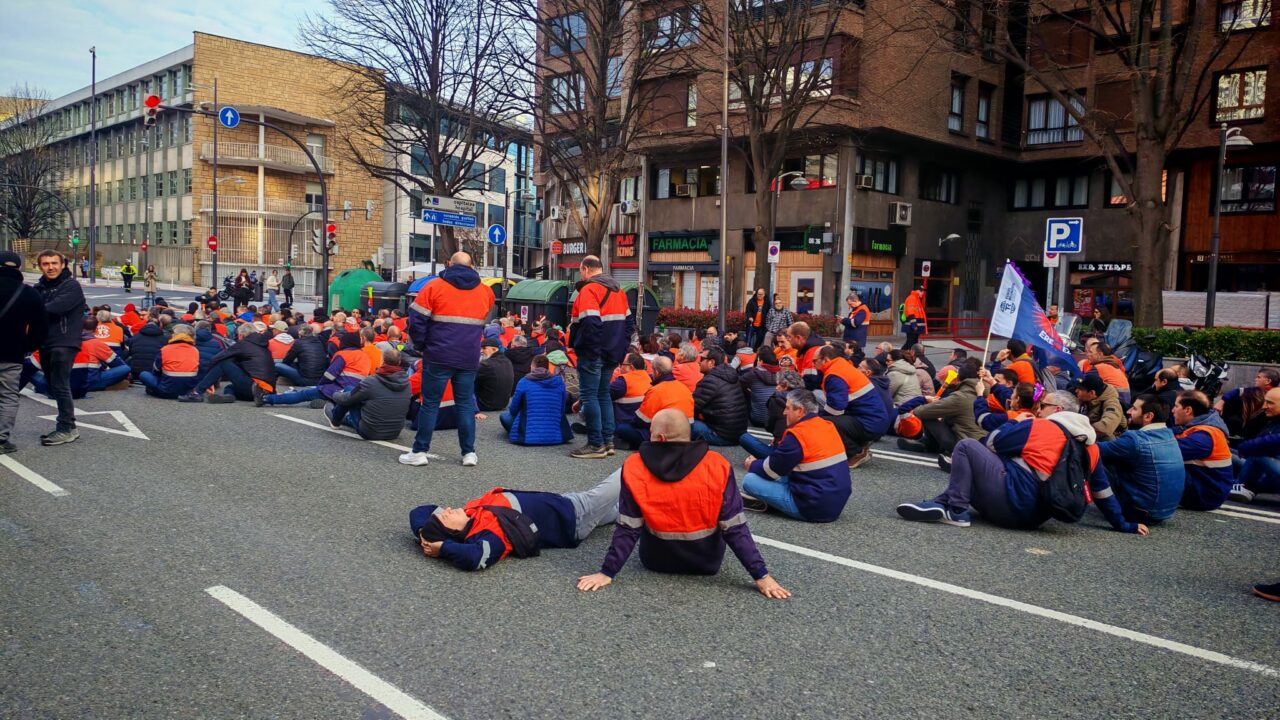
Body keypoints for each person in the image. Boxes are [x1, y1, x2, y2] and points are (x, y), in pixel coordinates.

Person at [577, 409, 789, 599]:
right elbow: (735, 527)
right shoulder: (718, 464)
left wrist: (607, 572)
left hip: (655, 559)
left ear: (660, 437)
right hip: (707, 561)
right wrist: (761, 575)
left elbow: (628, 527)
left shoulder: (634, 465)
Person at [897, 385, 1148, 534]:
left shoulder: (1040, 426)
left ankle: (956, 511)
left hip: (1010, 502)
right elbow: (1103, 492)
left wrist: (1015, 423)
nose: (1038, 409)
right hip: (1037, 516)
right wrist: (1123, 524)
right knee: (978, 467)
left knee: (966, 447)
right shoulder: (1090, 446)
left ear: (1058, 410)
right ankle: (942, 503)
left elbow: (990, 443)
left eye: (1044, 405)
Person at [399, 252, 494, 468]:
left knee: (430, 404)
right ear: (472, 266)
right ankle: (469, 453)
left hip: (438, 355)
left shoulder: (433, 287)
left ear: (449, 264)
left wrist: (422, 345)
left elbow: (416, 321)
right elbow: (481, 321)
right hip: (468, 356)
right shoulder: (485, 291)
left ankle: (420, 451)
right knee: (465, 404)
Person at [414, 473, 622, 572]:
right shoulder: (489, 534)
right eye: (445, 516)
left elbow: (420, 511)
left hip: (563, 501)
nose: (447, 509)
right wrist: (443, 547)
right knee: (627, 473)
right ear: (452, 531)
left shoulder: (469, 514)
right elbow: (475, 557)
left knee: (625, 512)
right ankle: (643, 454)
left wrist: (423, 533)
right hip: (575, 514)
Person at [741, 389, 851, 522]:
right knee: (783, 471)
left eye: (787, 408)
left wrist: (751, 464)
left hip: (813, 507)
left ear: (800, 411)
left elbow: (770, 471)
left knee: (750, 480)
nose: (784, 412)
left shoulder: (798, 435)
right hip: (835, 501)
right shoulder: (827, 425)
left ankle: (771, 502)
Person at [567, 256, 634, 459]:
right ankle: (608, 441)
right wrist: (619, 350)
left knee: (589, 396)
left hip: (593, 353)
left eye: (581, 271)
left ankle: (596, 444)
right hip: (612, 353)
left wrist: (592, 350)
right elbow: (629, 325)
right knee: (603, 395)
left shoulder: (589, 290)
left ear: (585, 269)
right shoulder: (619, 292)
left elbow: (590, 323)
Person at [1097, 394, 1185, 524]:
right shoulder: (1169, 435)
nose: (1128, 411)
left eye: (1134, 408)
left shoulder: (1135, 440)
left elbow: (1095, 449)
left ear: (1148, 416)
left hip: (1140, 512)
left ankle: (1070, 502)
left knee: (1095, 458)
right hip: (1166, 511)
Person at [33, 251, 85, 446]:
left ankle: (65, 428)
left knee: (60, 384)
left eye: (54, 263)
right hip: (45, 342)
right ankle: (69, 425)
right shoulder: (39, 288)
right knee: (53, 385)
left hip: (64, 341)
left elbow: (55, 308)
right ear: (40, 266)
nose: (51, 267)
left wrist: (29, 309)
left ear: (63, 265)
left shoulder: (71, 285)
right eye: (46, 264)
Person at [0, 251, 48, 453]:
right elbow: (40, 329)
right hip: (12, 353)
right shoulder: (29, 293)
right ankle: (1, 439)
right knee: (8, 396)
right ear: (18, 268)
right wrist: (27, 346)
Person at [813, 345, 886, 467]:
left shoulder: (834, 374)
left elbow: (836, 409)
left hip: (868, 422)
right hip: (874, 420)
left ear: (825, 359)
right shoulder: (841, 366)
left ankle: (856, 452)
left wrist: (817, 415)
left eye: (815, 360)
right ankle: (859, 445)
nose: (813, 364)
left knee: (822, 422)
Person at [905, 361, 985, 468]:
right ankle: (929, 443)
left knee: (928, 415)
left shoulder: (961, 396)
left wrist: (928, 403)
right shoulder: (984, 394)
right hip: (981, 442)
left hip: (962, 443)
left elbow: (920, 412)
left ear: (959, 377)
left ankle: (930, 445)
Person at [257, 331, 369, 407]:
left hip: (335, 389)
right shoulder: (365, 356)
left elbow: (330, 375)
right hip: (354, 392)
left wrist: (320, 386)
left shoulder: (344, 355)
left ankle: (266, 398)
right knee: (309, 393)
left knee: (302, 395)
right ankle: (329, 402)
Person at [325, 347, 411, 441]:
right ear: (399, 362)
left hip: (370, 432)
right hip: (394, 433)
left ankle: (335, 420)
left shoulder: (371, 381)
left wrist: (335, 394)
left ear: (382, 361)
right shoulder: (407, 383)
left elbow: (347, 399)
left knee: (349, 391)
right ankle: (347, 419)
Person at [178, 323, 277, 404]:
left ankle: (196, 392)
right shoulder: (262, 345)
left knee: (224, 363)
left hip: (254, 387)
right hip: (266, 390)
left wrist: (209, 380)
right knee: (230, 387)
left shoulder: (242, 344)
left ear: (241, 335)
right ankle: (228, 396)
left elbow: (217, 359)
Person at [1170, 390, 1233, 511]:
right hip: (1204, 486)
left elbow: (1163, 451)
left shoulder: (1204, 437)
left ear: (1188, 410)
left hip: (1204, 495)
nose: (1173, 410)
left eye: (1176, 406)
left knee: (1154, 462)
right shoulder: (1201, 426)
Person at [615, 356, 694, 450]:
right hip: (685, 431)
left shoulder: (656, 390)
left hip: (665, 434)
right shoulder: (683, 388)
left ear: (656, 372)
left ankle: (637, 445)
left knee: (623, 428)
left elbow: (642, 421)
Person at [501, 354, 574, 446]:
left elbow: (513, 410)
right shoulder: (559, 382)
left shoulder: (524, 381)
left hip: (527, 437)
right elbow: (561, 409)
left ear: (532, 367)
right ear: (548, 367)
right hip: (556, 437)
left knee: (504, 416)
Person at [1229, 387, 1280, 503]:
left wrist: (1249, 446)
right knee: (1226, 451)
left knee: (1257, 452)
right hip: (1268, 470)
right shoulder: (1273, 420)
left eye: (1270, 403)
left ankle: (1241, 485)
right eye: (1265, 402)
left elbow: (1273, 440)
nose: (1264, 406)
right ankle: (1245, 487)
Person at [691, 346, 750, 446]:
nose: (699, 362)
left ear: (711, 363)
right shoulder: (730, 374)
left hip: (722, 436)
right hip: (738, 433)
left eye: (702, 359)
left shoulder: (710, 380)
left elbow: (693, 407)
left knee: (681, 423)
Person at [138, 324, 201, 399]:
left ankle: (154, 390)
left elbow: (156, 370)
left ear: (174, 335)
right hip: (186, 392)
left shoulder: (165, 349)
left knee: (144, 374)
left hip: (166, 391)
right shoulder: (195, 350)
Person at [1217, 369, 1280, 441]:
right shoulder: (1255, 391)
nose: (1255, 379)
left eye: (1259, 377)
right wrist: (1221, 402)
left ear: (1268, 381)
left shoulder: (1275, 394)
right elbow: (1238, 391)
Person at [1072, 373, 1127, 442]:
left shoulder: (1112, 404)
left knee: (1107, 437)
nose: (1076, 391)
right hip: (1089, 431)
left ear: (1092, 393)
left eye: (1080, 389)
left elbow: (1106, 427)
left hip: (1113, 440)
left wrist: (1078, 431)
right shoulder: (1087, 398)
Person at [1080, 340, 1130, 405]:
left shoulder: (1100, 367)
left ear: (1100, 354)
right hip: (1122, 402)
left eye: (1090, 352)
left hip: (1116, 403)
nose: (1087, 354)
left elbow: (1082, 382)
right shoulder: (1112, 364)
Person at [609, 353, 652, 429]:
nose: (620, 367)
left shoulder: (623, 381)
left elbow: (603, 394)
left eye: (622, 364)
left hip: (624, 424)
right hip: (641, 423)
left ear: (631, 367)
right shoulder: (648, 377)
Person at [475, 339, 515, 413]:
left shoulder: (486, 364)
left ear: (494, 349)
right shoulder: (508, 361)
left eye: (484, 348)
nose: (481, 351)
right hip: (503, 404)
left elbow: (471, 378)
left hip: (486, 404)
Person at [787, 322, 825, 390]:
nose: (787, 339)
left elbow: (811, 382)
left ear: (798, 338)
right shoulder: (804, 350)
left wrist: (789, 386)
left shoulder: (813, 352)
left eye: (789, 336)